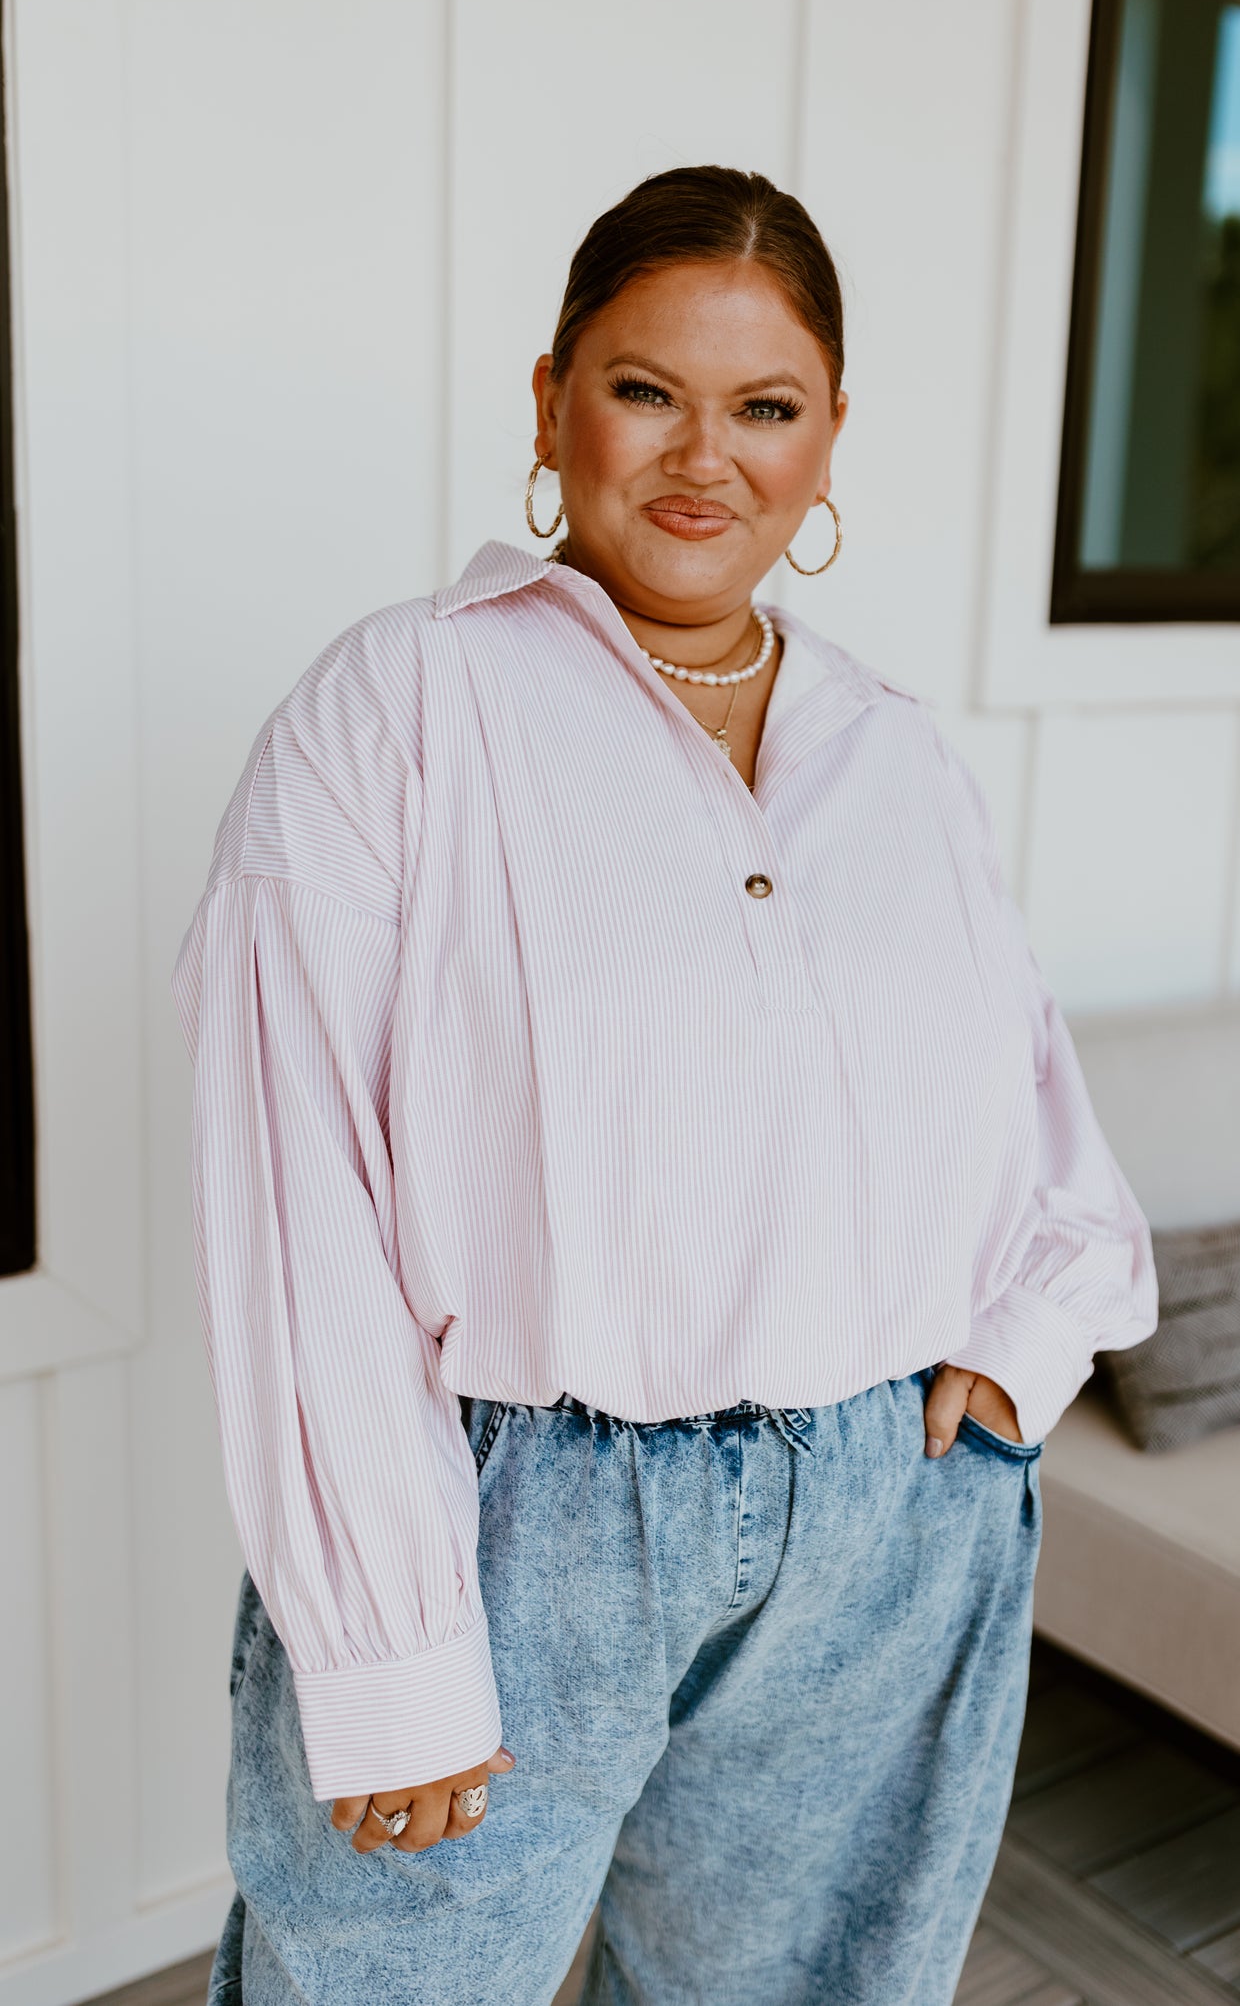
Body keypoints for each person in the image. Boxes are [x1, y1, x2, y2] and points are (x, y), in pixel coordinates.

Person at [172, 164, 1157, 2006]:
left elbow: (1023, 1103)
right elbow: (290, 1183)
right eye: (647, 391)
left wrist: (1029, 1344)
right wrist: (392, 1644)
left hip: (892, 1511)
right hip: (523, 1523)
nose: (707, 458)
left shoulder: (897, 756)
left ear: (830, 439)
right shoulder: (400, 708)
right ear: (552, 400)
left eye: (766, 408)